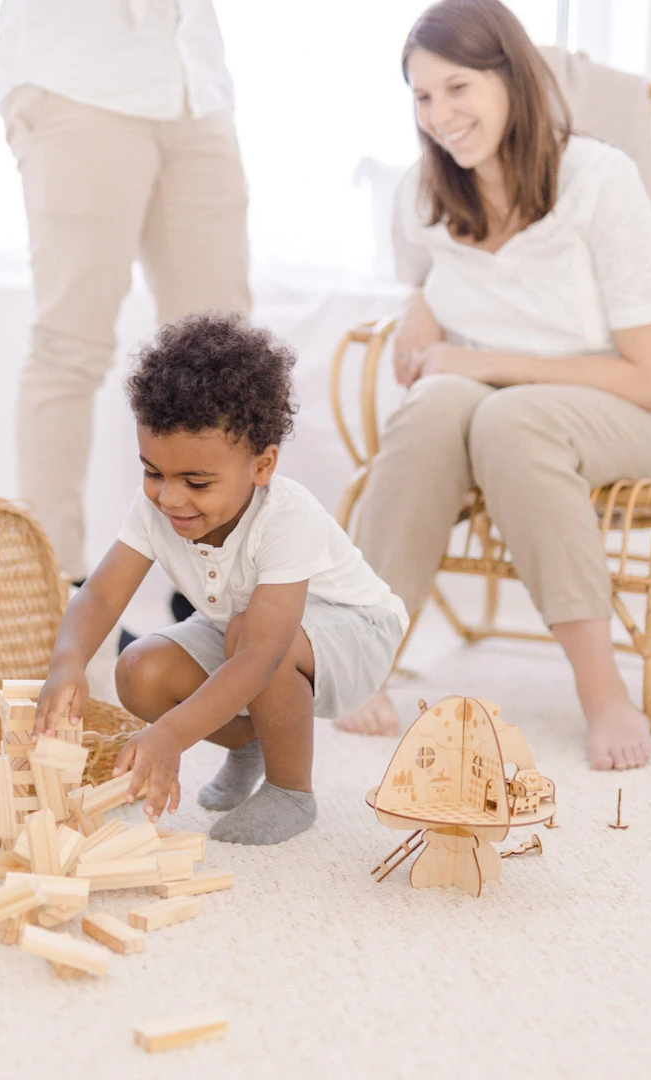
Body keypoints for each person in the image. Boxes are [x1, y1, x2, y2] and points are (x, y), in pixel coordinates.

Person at [335, 0, 651, 773]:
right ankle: (367, 659)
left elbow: (650, 380)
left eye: (458, 88)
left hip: (616, 413)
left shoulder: (598, 180)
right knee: (432, 407)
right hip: (483, 409)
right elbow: (426, 286)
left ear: (510, 77)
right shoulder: (423, 197)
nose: (440, 116)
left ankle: (602, 691)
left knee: (508, 419)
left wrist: (485, 363)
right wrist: (415, 303)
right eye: (422, 97)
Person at [33, 314, 408, 845]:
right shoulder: (156, 507)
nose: (170, 497)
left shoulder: (286, 517)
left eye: (197, 482)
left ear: (262, 465)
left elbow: (259, 652)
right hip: (251, 633)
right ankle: (253, 741)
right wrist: (67, 662)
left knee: (247, 639)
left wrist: (173, 736)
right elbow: (100, 592)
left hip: (356, 634)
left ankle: (290, 789)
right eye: (153, 471)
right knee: (139, 670)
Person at [0, 0, 251, 587]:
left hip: (194, 82)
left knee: (224, 359)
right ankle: (57, 597)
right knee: (69, 347)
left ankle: (218, 589)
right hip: (78, 77)